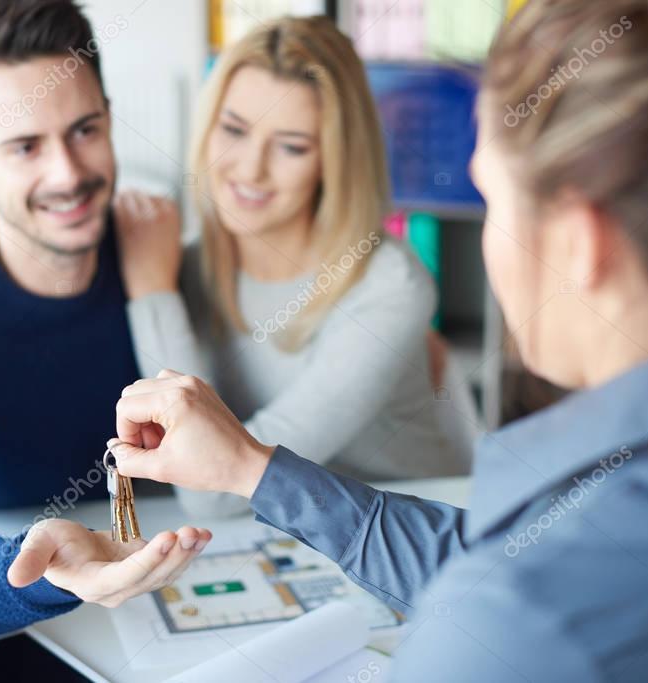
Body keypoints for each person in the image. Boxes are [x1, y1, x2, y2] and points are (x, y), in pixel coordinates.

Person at [107, 0, 648, 678]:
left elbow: (502, 605)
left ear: (578, 245)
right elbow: (490, 570)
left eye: (491, 201)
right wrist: (253, 467)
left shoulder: (515, 625)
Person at [0, 0, 209, 640]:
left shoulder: (158, 262)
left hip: (172, 597)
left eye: (84, 130)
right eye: (25, 146)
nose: (69, 174)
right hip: (32, 625)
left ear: (110, 120)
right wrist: (43, 566)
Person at [113, 16, 476, 518]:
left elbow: (212, 492)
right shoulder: (188, 266)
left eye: (291, 146)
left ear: (335, 159)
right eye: (234, 129)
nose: (250, 168)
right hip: (279, 540)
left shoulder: (388, 283)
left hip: (407, 532)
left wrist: (151, 291)